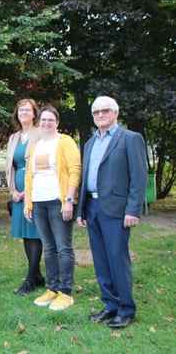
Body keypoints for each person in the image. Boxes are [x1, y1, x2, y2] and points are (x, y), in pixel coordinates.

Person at [76, 96, 147, 329]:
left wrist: (133, 209)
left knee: (117, 258)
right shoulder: (89, 143)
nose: (100, 115)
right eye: (96, 112)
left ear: (116, 113)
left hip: (117, 210)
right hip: (92, 208)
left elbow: (139, 178)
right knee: (101, 260)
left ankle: (126, 309)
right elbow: (86, 177)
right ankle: (110, 303)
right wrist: (81, 209)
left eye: (105, 111)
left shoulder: (129, 139)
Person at [24, 106, 80, 311]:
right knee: (48, 247)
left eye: (50, 120)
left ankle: (66, 292)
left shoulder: (65, 142)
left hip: (58, 201)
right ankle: (53, 288)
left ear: (57, 122)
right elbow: (31, 176)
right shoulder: (37, 145)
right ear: (39, 123)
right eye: (43, 120)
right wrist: (28, 203)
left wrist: (68, 199)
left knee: (63, 247)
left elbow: (75, 170)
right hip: (39, 202)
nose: (46, 123)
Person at [5, 99, 45, 296]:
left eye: (28, 110)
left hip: (36, 188)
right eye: (21, 110)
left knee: (35, 232)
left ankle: (30, 279)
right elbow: (10, 167)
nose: (24, 113)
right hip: (18, 190)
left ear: (34, 113)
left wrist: (30, 191)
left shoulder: (40, 133)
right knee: (26, 234)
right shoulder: (14, 138)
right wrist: (13, 190)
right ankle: (36, 275)